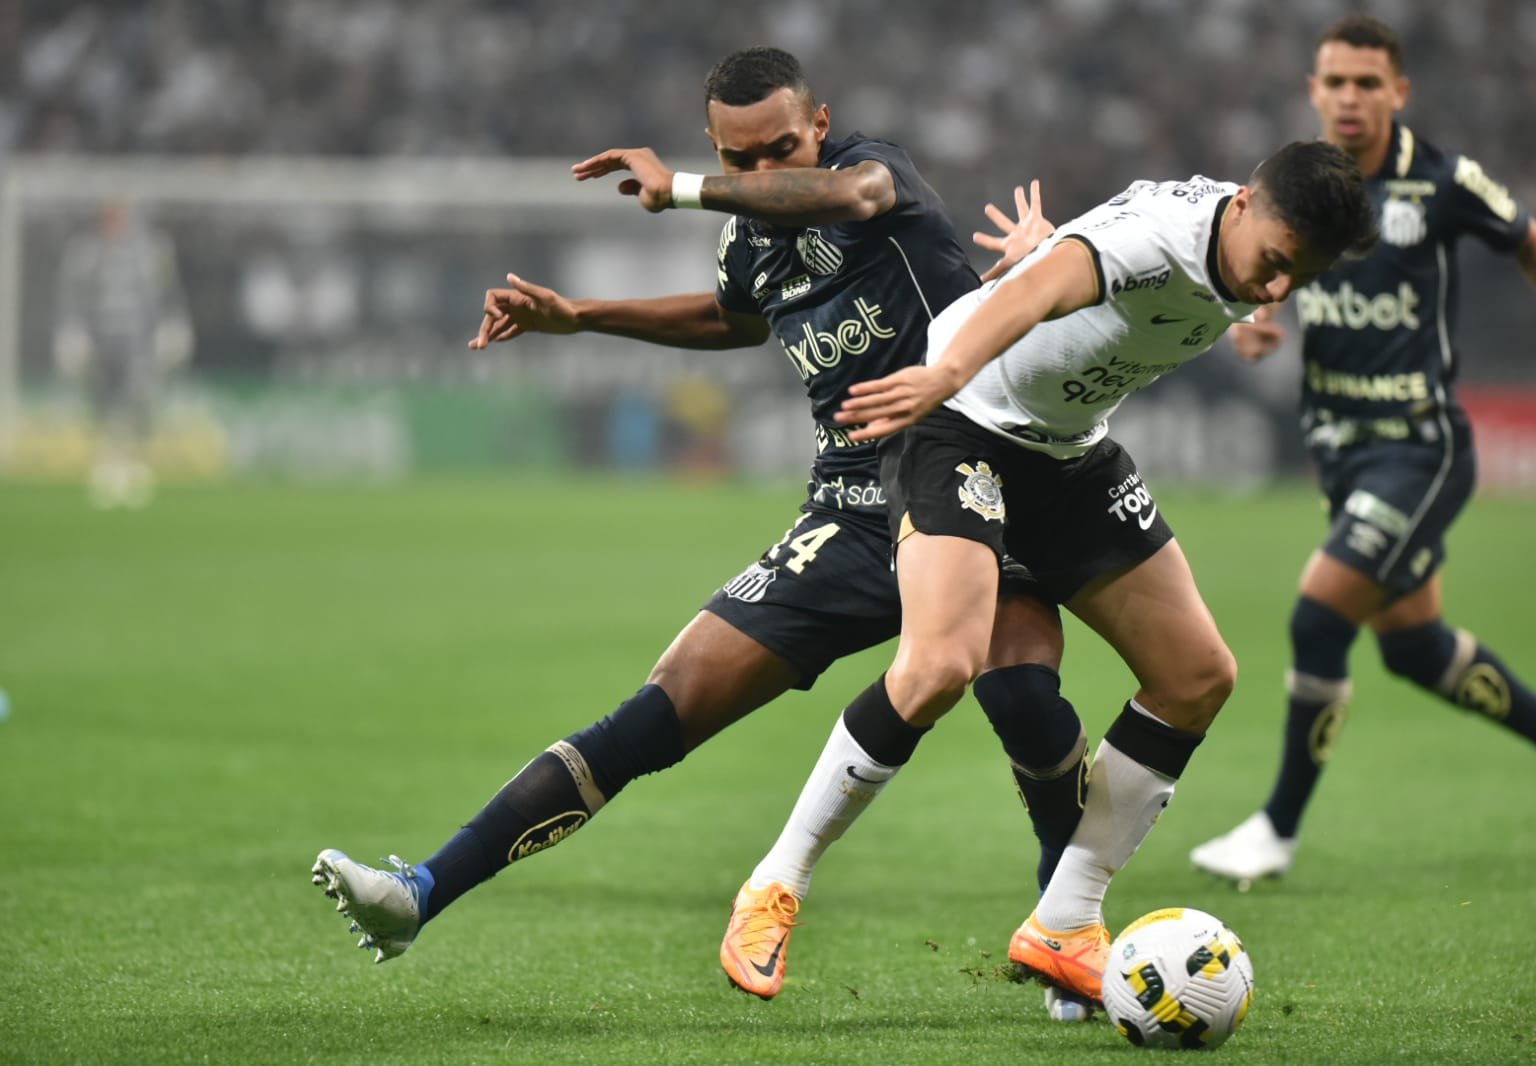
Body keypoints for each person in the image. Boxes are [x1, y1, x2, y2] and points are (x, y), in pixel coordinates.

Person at [310, 47, 1088, 997]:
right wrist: (582, 317)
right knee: (658, 708)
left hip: (970, 466)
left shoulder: (879, 177)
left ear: (823, 123)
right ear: (715, 144)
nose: (764, 175)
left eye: (783, 148)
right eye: (739, 157)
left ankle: (1064, 923)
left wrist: (683, 188)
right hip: (848, 504)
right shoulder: (747, 238)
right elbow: (736, 318)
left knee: (1020, 700)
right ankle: (419, 893)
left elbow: (845, 198)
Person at [717, 141, 1377, 1005]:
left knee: (1197, 676)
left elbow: (1093, 268)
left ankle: (1065, 921)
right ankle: (774, 885)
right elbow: (1038, 289)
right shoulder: (1158, 239)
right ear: (1246, 206)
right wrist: (947, 367)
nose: (1279, 288)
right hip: (956, 420)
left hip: (1066, 453)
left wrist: (1230, 301)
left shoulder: (1247, 239)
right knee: (938, 668)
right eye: (1278, 265)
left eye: (1302, 276)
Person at [1190, 15, 1536, 886]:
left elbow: (1535, 248)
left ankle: (1277, 829)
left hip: (1420, 445)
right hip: (1339, 449)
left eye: (1367, 83)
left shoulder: (1439, 182)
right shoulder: (1301, 189)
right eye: (1334, 81)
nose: (1349, 98)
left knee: (1316, 614)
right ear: (1312, 91)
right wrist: (1260, 321)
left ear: (1397, 93)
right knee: (1414, 646)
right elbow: (1271, 269)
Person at [53, 199, 194, 509]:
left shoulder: (151, 251)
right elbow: (72, 295)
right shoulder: (86, 252)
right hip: (100, 344)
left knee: (138, 402)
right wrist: (71, 331)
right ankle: (105, 466)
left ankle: (136, 466)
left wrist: (174, 325)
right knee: (102, 405)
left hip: (139, 344)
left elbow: (170, 293)